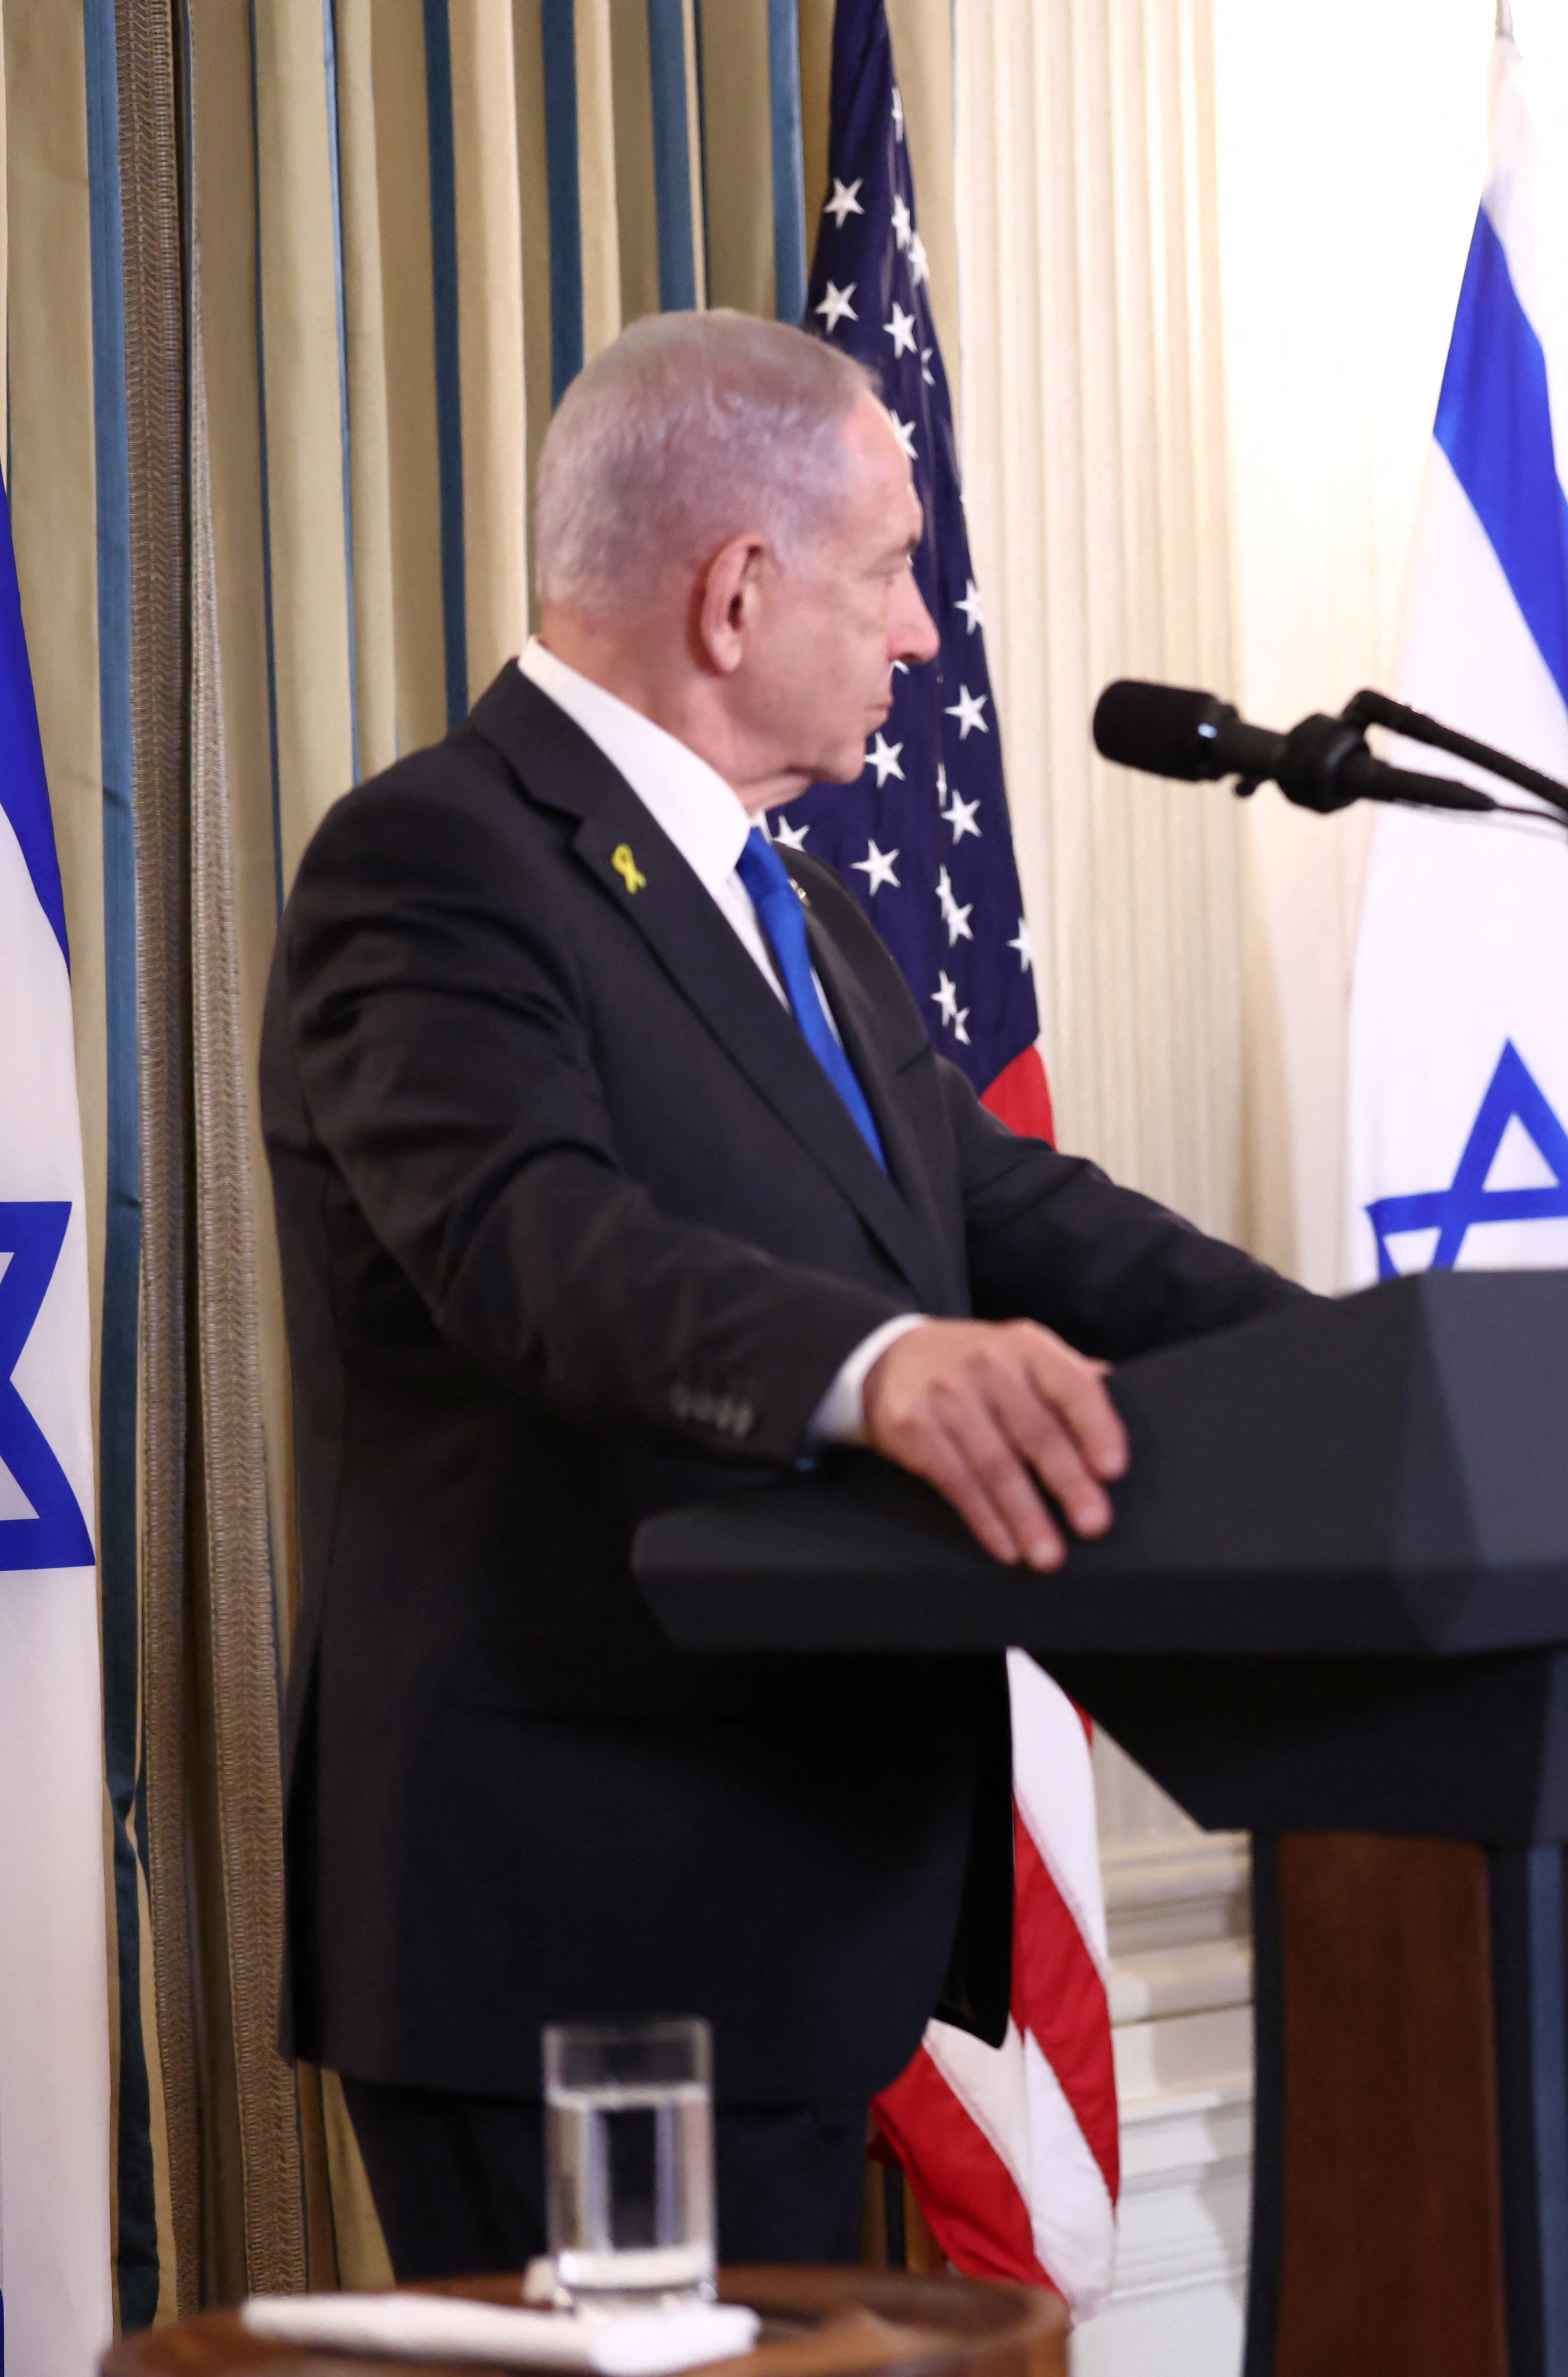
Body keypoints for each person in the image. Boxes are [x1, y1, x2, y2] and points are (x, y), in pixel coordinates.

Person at [260, 311, 1304, 2277]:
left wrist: (1354, 1369)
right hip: (576, 1932)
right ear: (736, 593)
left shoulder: (799, 902)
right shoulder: (431, 863)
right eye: (894, 570)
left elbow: (1007, 1208)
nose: (923, 634)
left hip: (805, 1908)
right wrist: (882, 1366)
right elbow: (532, 1243)